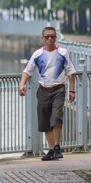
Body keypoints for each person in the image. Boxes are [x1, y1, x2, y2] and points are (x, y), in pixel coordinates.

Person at [19, 26, 77, 161]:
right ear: (43, 38)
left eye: (52, 36)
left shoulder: (63, 52)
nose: (50, 38)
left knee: (56, 117)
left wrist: (72, 90)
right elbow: (27, 71)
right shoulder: (38, 54)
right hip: (43, 90)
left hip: (59, 89)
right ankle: (51, 149)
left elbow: (71, 72)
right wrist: (22, 84)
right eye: (47, 36)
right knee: (45, 121)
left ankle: (57, 146)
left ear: (56, 38)